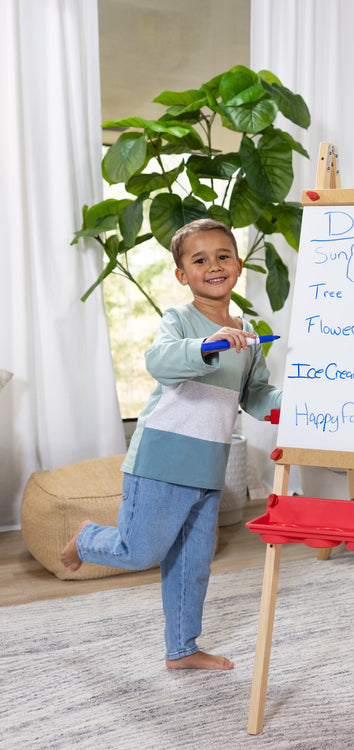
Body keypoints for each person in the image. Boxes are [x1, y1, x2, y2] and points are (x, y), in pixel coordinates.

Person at [61, 218, 282, 671]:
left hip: (208, 467)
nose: (213, 266)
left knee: (191, 565)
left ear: (238, 266)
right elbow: (159, 362)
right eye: (199, 260)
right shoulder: (180, 320)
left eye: (223, 257)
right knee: (140, 551)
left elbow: (256, 395)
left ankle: (181, 649)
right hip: (161, 460)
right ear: (183, 275)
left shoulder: (250, 335)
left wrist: (297, 407)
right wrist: (208, 344)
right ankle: (86, 540)